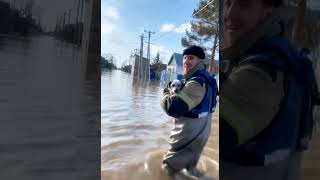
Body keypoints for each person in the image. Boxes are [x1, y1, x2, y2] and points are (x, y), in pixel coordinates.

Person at [220, 0, 316, 180]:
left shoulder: (260, 71)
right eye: (227, 3)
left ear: (267, 12)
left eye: (243, 4)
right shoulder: (283, 57)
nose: (230, 14)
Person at [160, 45, 217, 178]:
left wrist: (165, 93)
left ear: (200, 62)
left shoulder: (197, 82)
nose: (186, 61)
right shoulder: (204, 78)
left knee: (168, 167)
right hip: (199, 133)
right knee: (189, 169)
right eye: (185, 57)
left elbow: (173, 108)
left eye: (191, 58)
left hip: (188, 135)